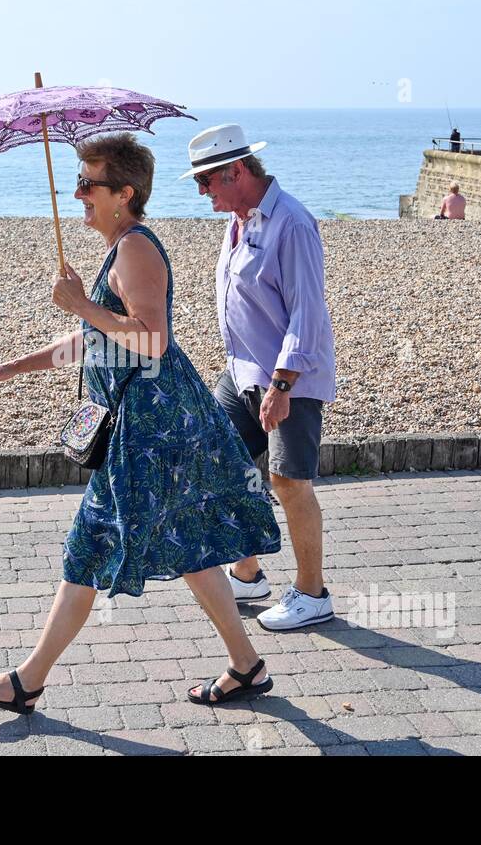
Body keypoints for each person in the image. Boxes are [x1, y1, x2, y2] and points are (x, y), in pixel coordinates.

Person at [0, 133, 283, 714]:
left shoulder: (136, 250)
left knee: (90, 546)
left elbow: (152, 340)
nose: (79, 193)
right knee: (188, 544)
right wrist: (13, 366)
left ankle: (27, 681)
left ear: (124, 193)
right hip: (147, 427)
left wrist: (82, 305)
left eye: (90, 183)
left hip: (153, 431)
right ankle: (247, 665)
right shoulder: (118, 249)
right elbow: (96, 342)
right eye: (78, 182)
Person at [181, 124, 338, 631]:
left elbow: (307, 314)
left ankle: (312, 594)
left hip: (289, 377)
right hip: (241, 373)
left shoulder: (290, 224)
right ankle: (247, 574)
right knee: (220, 461)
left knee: (288, 481)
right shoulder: (239, 221)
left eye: (207, 181)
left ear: (238, 171)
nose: (201, 191)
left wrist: (282, 385)